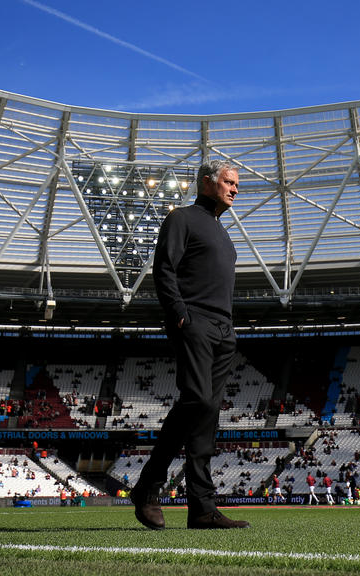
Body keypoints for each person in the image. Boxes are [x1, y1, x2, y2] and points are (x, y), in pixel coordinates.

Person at [130, 158, 247, 530]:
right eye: (228, 182)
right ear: (207, 182)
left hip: (224, 331)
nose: (234, 189)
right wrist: (180, 313)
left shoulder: (224, 234)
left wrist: (227, 327)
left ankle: (201, 508)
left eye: (236, 185)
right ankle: (149, 487)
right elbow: (164, 267)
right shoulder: (181, 218)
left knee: (207, 412)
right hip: (194, 322)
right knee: (197, 400)